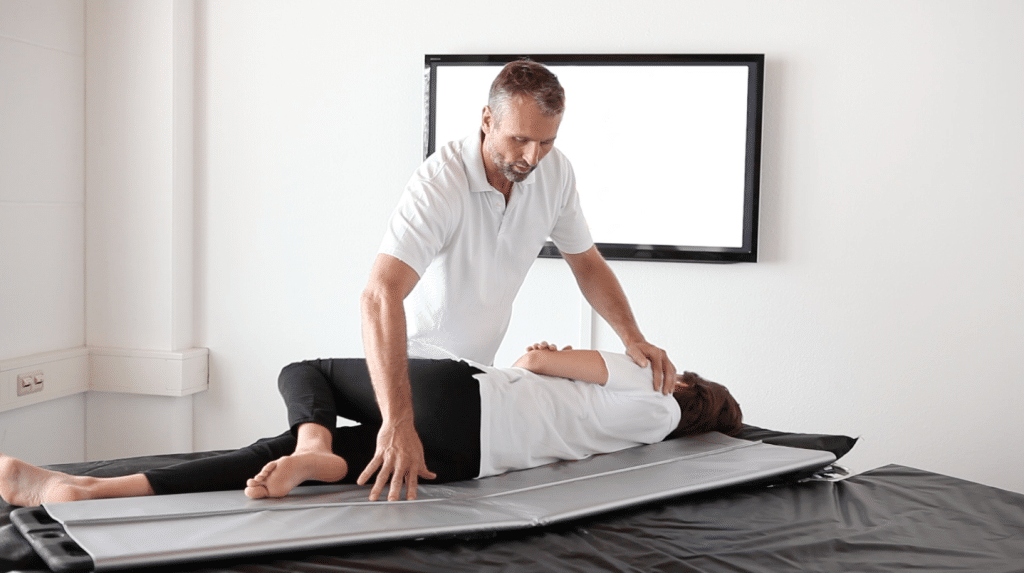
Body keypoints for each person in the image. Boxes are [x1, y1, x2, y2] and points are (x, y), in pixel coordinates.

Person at [361, 58, 678, 501]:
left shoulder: (556, 172)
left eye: (546, 141)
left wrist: (632, 336)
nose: (532, 157)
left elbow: (586, 263)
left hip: (476, 379)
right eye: (520, 139)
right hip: (411, 374)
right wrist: (397, 421)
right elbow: (380, 295)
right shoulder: (439, 183)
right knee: (312, 390)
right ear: (488, 120)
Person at [0, 344, 741, 507]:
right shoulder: (645, 439)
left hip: (466, 398)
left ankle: (315, 443)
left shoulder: (653, 382)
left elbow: (545, 356)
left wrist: (546, 356)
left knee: (308, 375)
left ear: (689, 388)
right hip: (464, 458)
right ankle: (83, 490)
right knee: (269, 452)